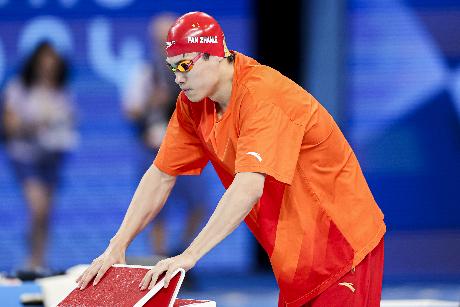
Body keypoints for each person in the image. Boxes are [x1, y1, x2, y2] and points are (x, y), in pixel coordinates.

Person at [77, 12, 386, 307]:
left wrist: (190, 255)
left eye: (185, 65)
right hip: (298, 259)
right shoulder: (192, 104)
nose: (178, 78)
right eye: (173, 68)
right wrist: (117, 244)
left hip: (343, 247)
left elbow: (249, 187)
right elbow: (161, 174)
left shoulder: (263, 96)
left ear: (215, 54)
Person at [122, 13, 206, 259]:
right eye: (160, 41)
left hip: (188, 148)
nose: (165, 46)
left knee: (199, 203)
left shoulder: (195, 70)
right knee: (156, 208)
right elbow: (131, 111)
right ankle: (159, 262)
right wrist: (152, 100)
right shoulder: (144, 73)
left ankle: (181, 254)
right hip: (154, 148)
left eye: (168, 40)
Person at [2, 41, 78, 273]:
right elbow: (9, 125)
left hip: (52, 157)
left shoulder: (62, 91)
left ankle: (40, 259)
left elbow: (69, 123)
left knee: (46, 212)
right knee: (38, 208)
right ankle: (31, 258)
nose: (49, 67)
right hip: (25, 156)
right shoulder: (18, 88)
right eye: (44, 61)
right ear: (35, 63)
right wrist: (34, 123)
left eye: (53, 62)